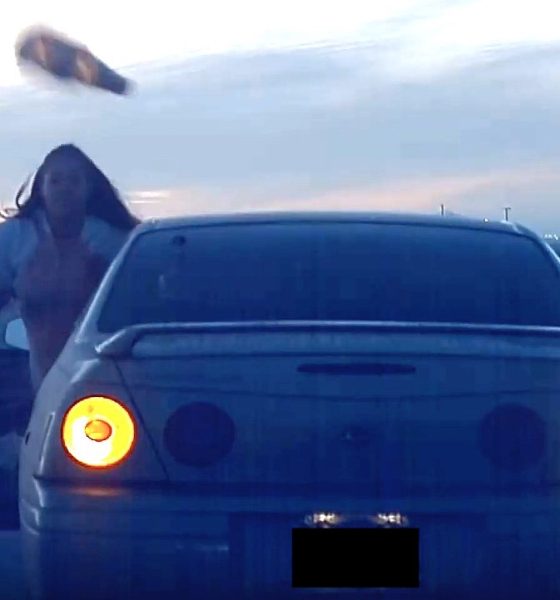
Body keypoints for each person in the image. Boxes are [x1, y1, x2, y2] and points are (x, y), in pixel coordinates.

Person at [0, 144, 139, 391]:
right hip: (32, 372)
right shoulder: (14, 237)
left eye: (74, 181)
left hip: (103, 371)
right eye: (56, 181)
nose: (65, 188)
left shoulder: (115, 242)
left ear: (88, 189)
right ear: (41, 188)